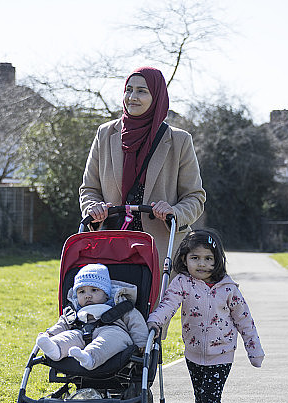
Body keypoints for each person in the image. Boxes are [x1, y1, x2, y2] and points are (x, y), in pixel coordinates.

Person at [146, 229, 265, 403]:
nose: (202, 264)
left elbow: (245, 321)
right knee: (200, 397)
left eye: (208, 258)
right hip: (192, 353)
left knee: (211, 395)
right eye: (195, 258)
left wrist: (254, 351)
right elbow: (168, 304)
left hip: (221, 354)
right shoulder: (182, 282)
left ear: (217, 260)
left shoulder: (228, 289)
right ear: (184, 259)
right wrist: (155, 321)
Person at [79, 66, 206, 269]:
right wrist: (93, 209)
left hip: (161, 251)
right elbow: (89, 190)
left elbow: (195, 197)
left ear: (156, 96)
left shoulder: (179, 141)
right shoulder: (104, 134)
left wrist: (174, 212)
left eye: (142, 91)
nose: (132, 97)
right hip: (110, 247)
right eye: (128, 89)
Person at [36, 263, 149, 370]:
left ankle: (89, 357)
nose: (87, 296)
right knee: (70, 336)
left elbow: (136, 322)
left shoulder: (119, 305)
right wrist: (50, 334)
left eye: (94, 290)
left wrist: (141, 343)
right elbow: (63, 323)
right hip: (81, 331)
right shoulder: (74, 309)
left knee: (111, 339)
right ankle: (56, 349)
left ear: (106, 293)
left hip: (113, 331)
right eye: (81, 292)